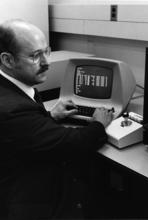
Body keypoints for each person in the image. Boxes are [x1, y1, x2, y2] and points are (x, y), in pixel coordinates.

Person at [0, 19, 113, 219]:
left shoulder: (13, 88)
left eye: (47, 51)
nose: (46, 62)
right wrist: (99, 123)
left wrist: (51, 116)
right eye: (35, 56)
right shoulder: (12, 108)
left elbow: (26, 135)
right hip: (28, 200)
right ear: (8, 60)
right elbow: (75, 143)